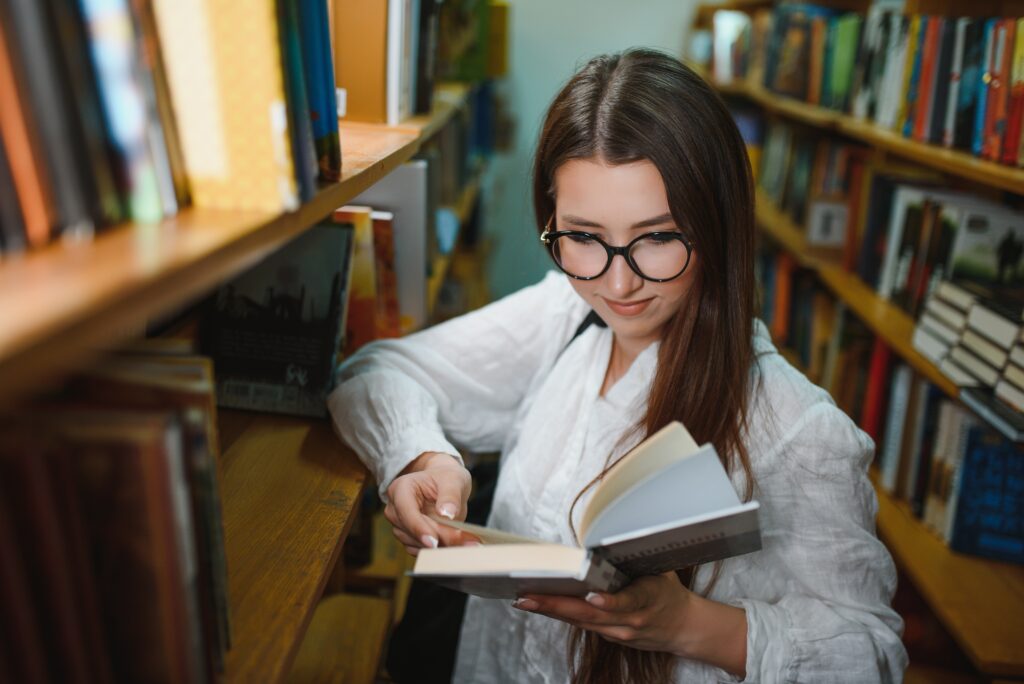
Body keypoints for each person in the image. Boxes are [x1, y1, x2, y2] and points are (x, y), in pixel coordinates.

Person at [328, 48, 908, 684]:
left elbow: (869, 655)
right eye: (583, 237)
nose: (618, 282)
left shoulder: (796, 427)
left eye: (658, 238)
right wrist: (421, 458)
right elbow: (373, 371)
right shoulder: (564, 316)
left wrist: (686, 624)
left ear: (717, 225)